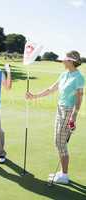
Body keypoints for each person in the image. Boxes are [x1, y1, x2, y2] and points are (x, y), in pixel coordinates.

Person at [26, 51, 85, 184]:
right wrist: (34, 96)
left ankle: (64, 175)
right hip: (60, 109)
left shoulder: (79, 77)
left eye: (65, 59)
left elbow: (79, 99)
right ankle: (63, 173)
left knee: (60, 142)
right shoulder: (64, 74)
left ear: (71, 61)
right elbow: (51, 89)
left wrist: (73, 117)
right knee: (58, 141)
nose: (63, 61)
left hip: (68, 111)